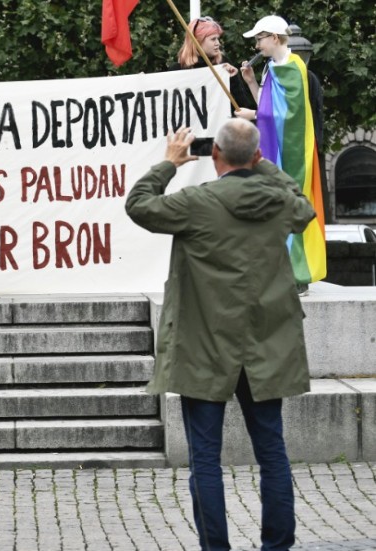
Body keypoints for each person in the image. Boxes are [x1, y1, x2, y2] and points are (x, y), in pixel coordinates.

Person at [125, 120, 315, 551]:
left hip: (205, 349)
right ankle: (277, 546)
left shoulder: (197, 202)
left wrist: (168, 164)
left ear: (215, 155)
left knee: (206, 460)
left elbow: (139, 205)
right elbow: (305, 207)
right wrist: (264, 166)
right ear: (255, 157)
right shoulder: (280, 200)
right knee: (272, 453)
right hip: (266, 347)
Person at [235, 15, 326, 286]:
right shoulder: (272, 67)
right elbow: (269, 106)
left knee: (289, 206)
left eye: (259, 39)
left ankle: (298, 276)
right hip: (278, 150)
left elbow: (289, 115)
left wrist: (252, 115)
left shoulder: (292, 67)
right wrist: (252, 83)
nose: (257, 46)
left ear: (274, 38)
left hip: (293, 153)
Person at [169, 17, 257, 111]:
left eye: (218, 39)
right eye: (213, 39)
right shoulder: (178, 70)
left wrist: (234, 78)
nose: (218, 43)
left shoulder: (224, 64)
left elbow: (242, 106)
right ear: (197, 41)